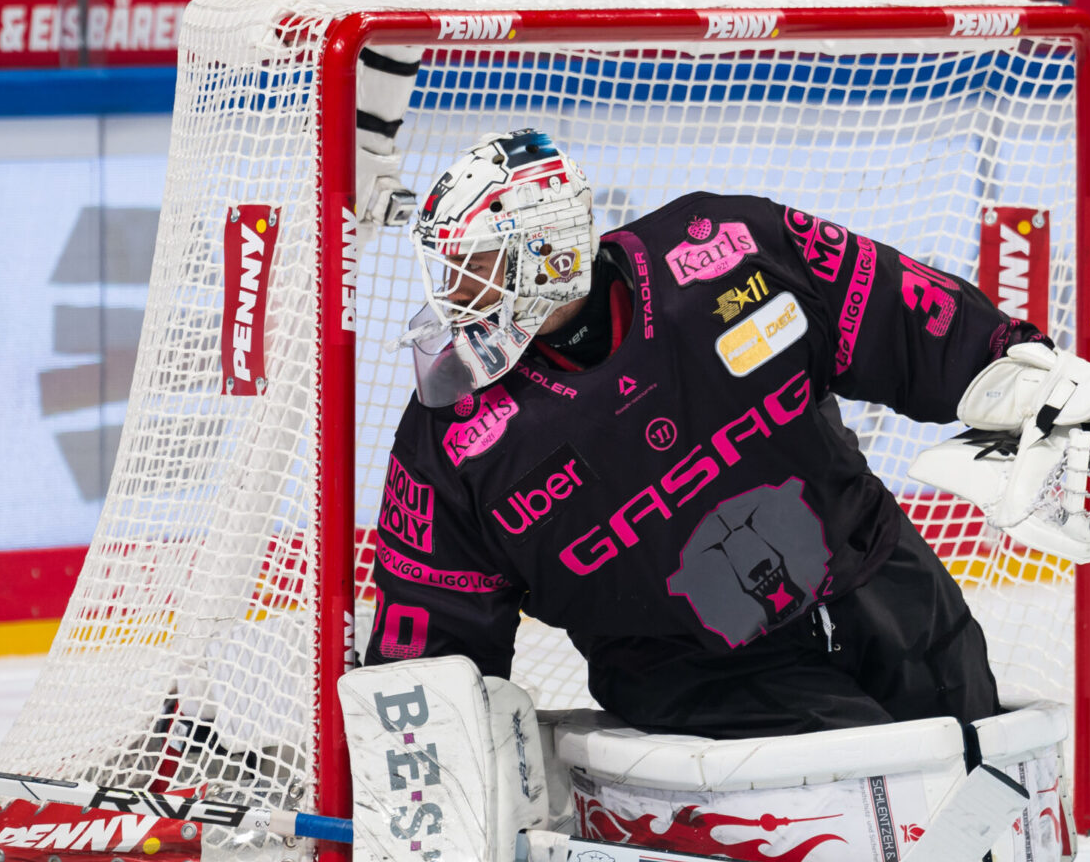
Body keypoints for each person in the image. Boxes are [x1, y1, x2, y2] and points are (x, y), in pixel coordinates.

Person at [362, 129, 1052, 739]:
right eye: (450, 271)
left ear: (547, 251)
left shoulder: (729, 249)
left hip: (880, 582)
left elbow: (905, 318)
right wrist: (422, 756)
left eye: (474, 266)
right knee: (887, 792)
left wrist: (1032, 384)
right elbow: (429, 646)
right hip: (690, 670)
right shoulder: (453, 436)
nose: (456, 294)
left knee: (984, 785)